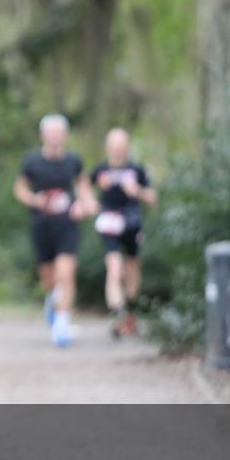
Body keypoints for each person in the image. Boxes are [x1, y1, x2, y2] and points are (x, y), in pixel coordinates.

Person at [13, 113, 96, 347]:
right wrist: (34, 200)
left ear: (65, 135)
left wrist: (84, 205)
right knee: (49, 279)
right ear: (43, 135)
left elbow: (84, 188)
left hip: (67, 225)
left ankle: (61, 324)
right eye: (51, 133)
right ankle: (52, 300)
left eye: (59, 132)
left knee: (66, 273)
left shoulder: (74, 161)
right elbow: (20, 189)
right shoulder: (32, 161)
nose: (55, 137)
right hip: (41, 226)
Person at [90, 128, 157, 338]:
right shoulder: (100, 170)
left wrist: (136, 190)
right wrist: (89, 203)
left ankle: (129, 308)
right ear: (108, 147)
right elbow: (85, 190)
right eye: (114, 144)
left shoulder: (136, 169)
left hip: (132, 223)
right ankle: (118, 312)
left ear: (127, 146)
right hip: (109, 223)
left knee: (132, 270)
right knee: (114, 267)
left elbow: (153, 198)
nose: (118, 148)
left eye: (121, 144)